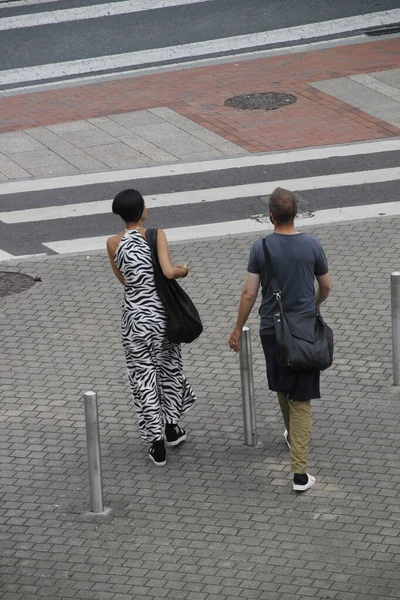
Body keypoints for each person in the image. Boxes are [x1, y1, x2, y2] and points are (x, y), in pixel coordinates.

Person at [229, 187, 331, 492]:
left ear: (270, 216)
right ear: (296, 213)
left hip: (272, 330)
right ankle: (300, 473)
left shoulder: (260, 248)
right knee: (301, 398)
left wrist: (237, 328)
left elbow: (249, 293)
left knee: (284, 384)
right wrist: (314, 304)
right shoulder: (312, 244)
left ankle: (291, 437)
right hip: (303, 331)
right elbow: (326, 286)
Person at [106, 188, 196, 466]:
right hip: (162, 318)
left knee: (143, 378)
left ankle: (156, 444)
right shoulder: (156, 235)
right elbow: (168, 272)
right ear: (142, 211)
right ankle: (172, 427)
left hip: (134, 320)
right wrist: (183, 270)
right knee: (169, 369)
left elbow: (124, 280)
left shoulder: (112, 243)